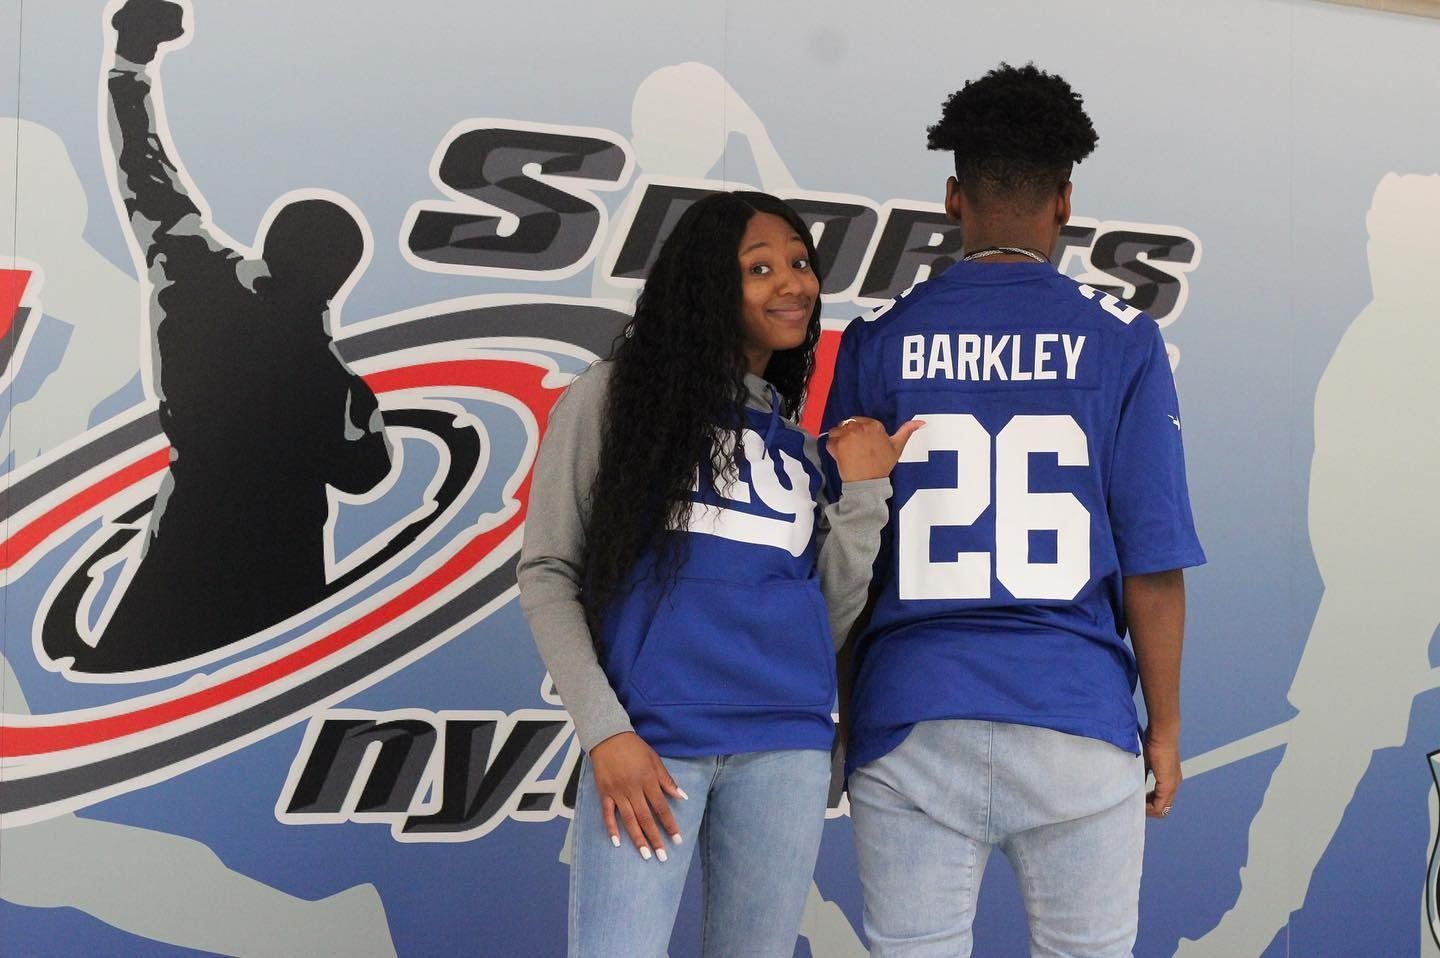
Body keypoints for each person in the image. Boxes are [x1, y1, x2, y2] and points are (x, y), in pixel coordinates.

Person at [821, 63, 1205, 957]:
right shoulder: (1123, 339)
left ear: (953, 195)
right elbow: (1152, 559)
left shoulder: (876, 340)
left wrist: (850, 721)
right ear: (1065, 200)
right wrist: (1169, 731)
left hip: (911, 715)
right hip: (1075, 713)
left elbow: (843, 559)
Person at [519, 189, 919, 957]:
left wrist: (863, 495)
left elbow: (823, 620)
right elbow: (547, 573)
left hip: (786, 752)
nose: (793, 283)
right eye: (760, 267)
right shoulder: (614, 401)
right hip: (653, 749)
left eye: (800, 263)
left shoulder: (799, 450)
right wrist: (607, 736)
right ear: (706, 285)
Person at [44, 0, 392, 674]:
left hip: (190, 540)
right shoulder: (325, 378)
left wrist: (131, 63)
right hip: (282, 568)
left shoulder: (195, 270)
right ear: (337, 280)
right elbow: (365, 470)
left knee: (130, 692)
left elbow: (143, 170)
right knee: (260, 711)